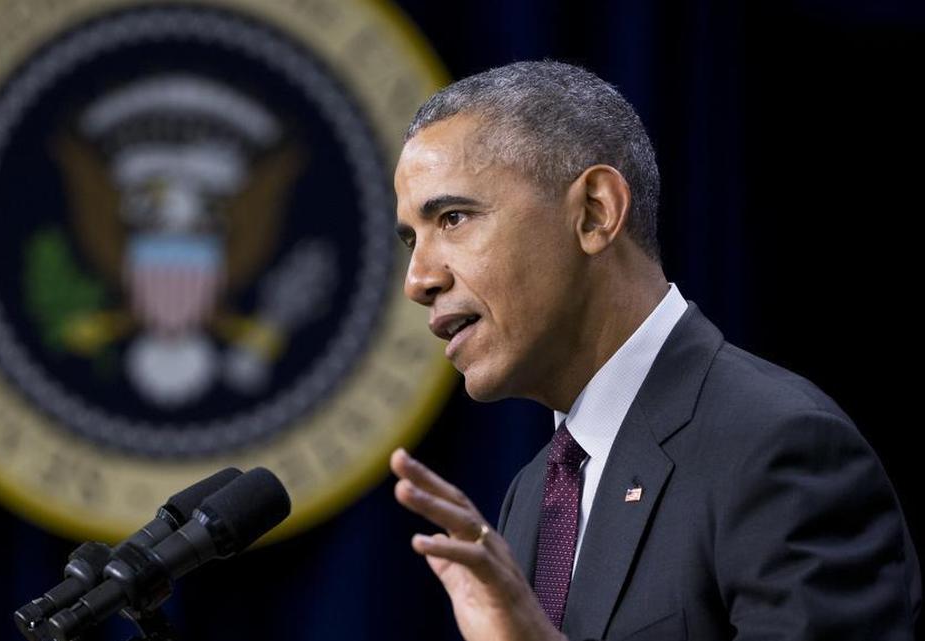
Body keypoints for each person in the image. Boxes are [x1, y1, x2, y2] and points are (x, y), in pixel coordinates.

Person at [389, 59, 921, 641]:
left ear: (595, 212)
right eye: (413, 239)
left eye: (454, 217)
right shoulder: (535, 493)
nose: (418, 280)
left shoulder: (778, 446)